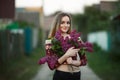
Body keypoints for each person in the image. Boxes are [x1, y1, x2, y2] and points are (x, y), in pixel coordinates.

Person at [39, 12, 87, 80]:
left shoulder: (76, 39)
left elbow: (84, 61)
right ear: (57, 24)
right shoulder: (50, 42)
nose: (66, 25)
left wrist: (73, 62)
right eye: (62, 22)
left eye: (68, 23)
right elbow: (51, 66)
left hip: (76, 75)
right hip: (61, 76)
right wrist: (66, 55)